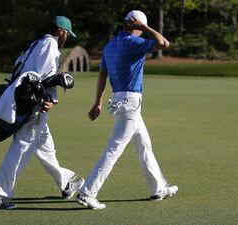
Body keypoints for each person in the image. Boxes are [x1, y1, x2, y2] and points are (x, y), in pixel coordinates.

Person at [76, 10, 178, 210]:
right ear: (137, 25)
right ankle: (88, 192)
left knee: (143, 145)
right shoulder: (133, 42)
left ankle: (158, 188)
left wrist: (97, 102)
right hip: (130, 103)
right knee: (114, 149)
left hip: (119, 100)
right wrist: (144, 28)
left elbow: (102, 76)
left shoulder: (110, 45)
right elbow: (164, 43)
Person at [0, 16, 84, 210]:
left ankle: (66, 183)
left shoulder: (36, 43)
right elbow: (38, 80)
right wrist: (47, 100)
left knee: (47, 149)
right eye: (67, 35)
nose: (67, 40)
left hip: (20, 100)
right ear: (61, 31)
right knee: (20, 150)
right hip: (31, 107)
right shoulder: (50, 45)